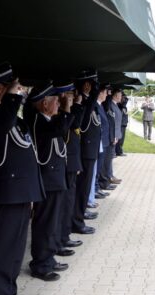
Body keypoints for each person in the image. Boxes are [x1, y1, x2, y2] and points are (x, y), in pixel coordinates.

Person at [0, 63, 44, 295]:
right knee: (3, 252)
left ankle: (7, 290)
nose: (20, 93)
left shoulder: (13, 118)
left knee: (13, 252)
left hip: (19, 195)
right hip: (6, 195)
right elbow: (1, 126)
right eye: (12, 88)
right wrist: (12, 99)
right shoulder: (1, 117)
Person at [23, 81, 75, 281]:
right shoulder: (38, 121)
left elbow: (62, 127)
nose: (59, 104)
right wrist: (68, 107)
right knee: (45, 223)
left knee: (53, 222)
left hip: (55, 178)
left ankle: (49, 258)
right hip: (47, 180)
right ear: (45, 104)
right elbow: (61, 128)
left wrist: (65, 107)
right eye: (56, 101)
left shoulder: (48, 120)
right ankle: (41, 264)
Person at [55, 81, 84, 256]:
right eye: (70, 96)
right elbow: (72, 128)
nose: (72, 99)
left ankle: (64, 237)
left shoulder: (68, 114)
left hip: (71, 163)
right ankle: (59, 239)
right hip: (64, 165)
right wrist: (71, 107)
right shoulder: (60, 116)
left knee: (68, 203)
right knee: (63, 205)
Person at [72, 71, 100, 235]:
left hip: (89, 150)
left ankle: (79, 216)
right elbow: (82, 124)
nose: (93, 87)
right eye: (92, 84)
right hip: (84, 150)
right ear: (86, 84)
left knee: (84, 187)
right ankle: (77, 220)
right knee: (82, 188)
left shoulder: (87, 100)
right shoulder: (81, 100)